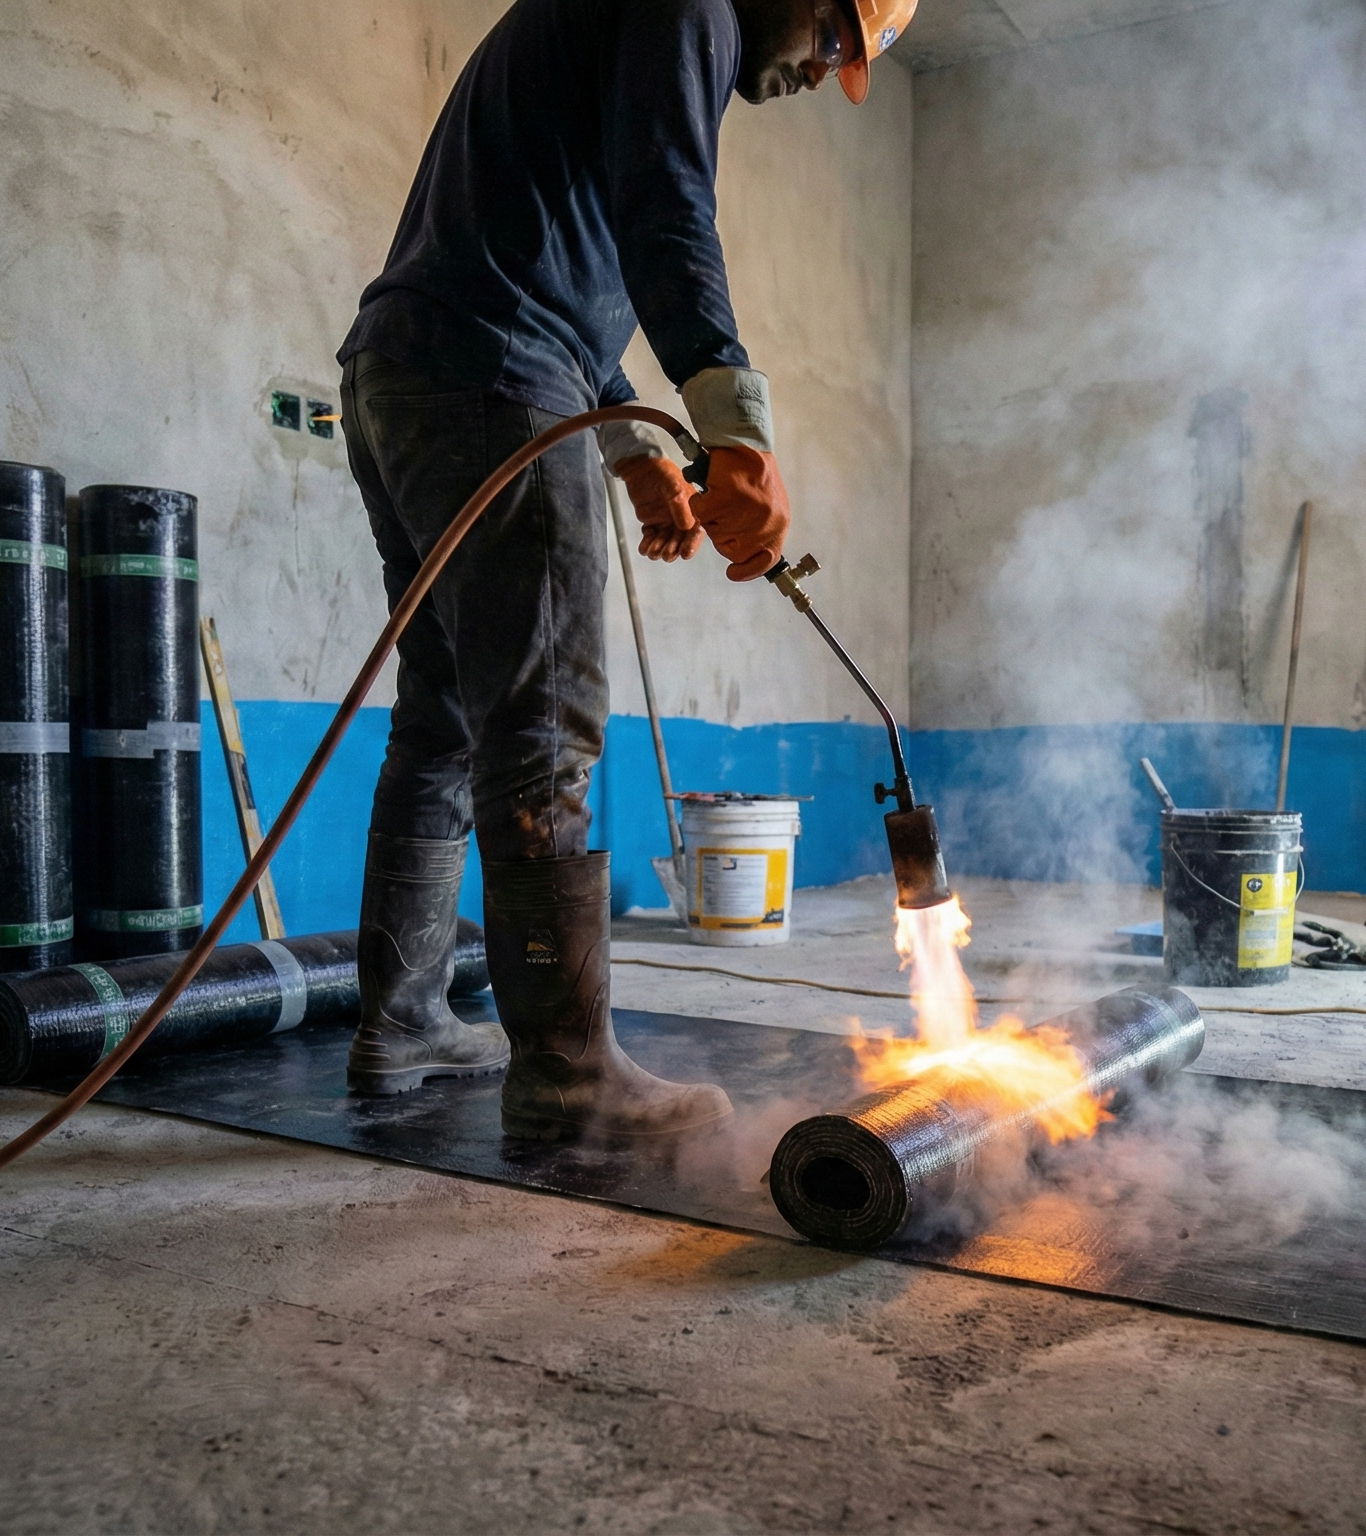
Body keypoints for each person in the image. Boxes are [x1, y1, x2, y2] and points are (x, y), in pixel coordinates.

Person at [335, 0, 917, 1139]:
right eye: (834, 43)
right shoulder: (691, 4)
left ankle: (400, 1024)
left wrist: (636, 449)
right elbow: (666, 202)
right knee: (544, 727)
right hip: (493, 378)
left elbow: (555, 261)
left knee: (444, 716)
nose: (820, 75)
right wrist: (736, 428)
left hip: (404, 374)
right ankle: (566, 1075)